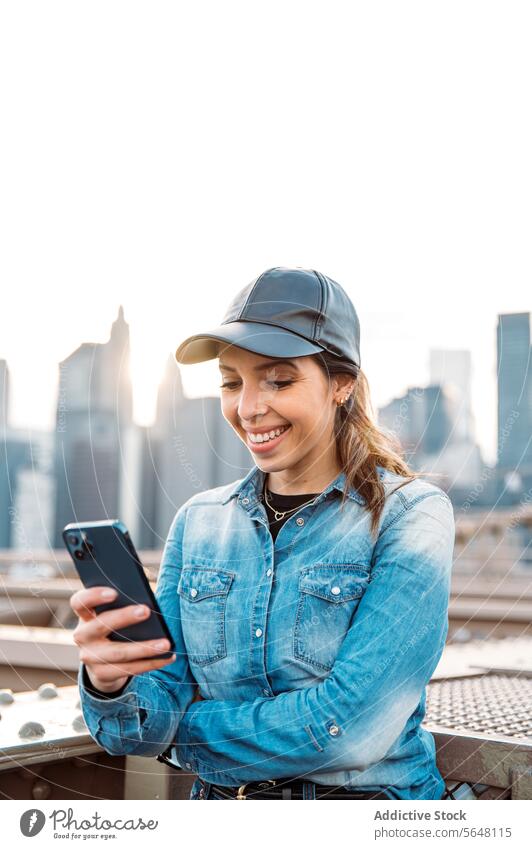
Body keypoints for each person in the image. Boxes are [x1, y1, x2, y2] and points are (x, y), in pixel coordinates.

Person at [71, 266, 455, 800]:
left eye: (279, 379)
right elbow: (143, 712)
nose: (249, 408)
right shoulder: (199, 521)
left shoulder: (411, 514)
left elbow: (349, 729)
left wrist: (175, 736)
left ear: (341, 383)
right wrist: (109, 683)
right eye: (231, 382)